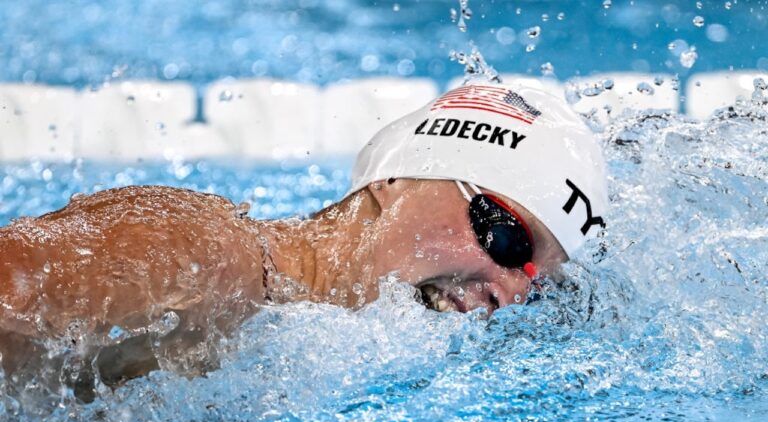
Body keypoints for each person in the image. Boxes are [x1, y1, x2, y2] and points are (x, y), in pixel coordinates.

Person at [0, 83, 608, 394]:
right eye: (505, 238)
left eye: (538, 282)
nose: (509, 292)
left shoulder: (307, 349)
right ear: (396, 179)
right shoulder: (207, 256)